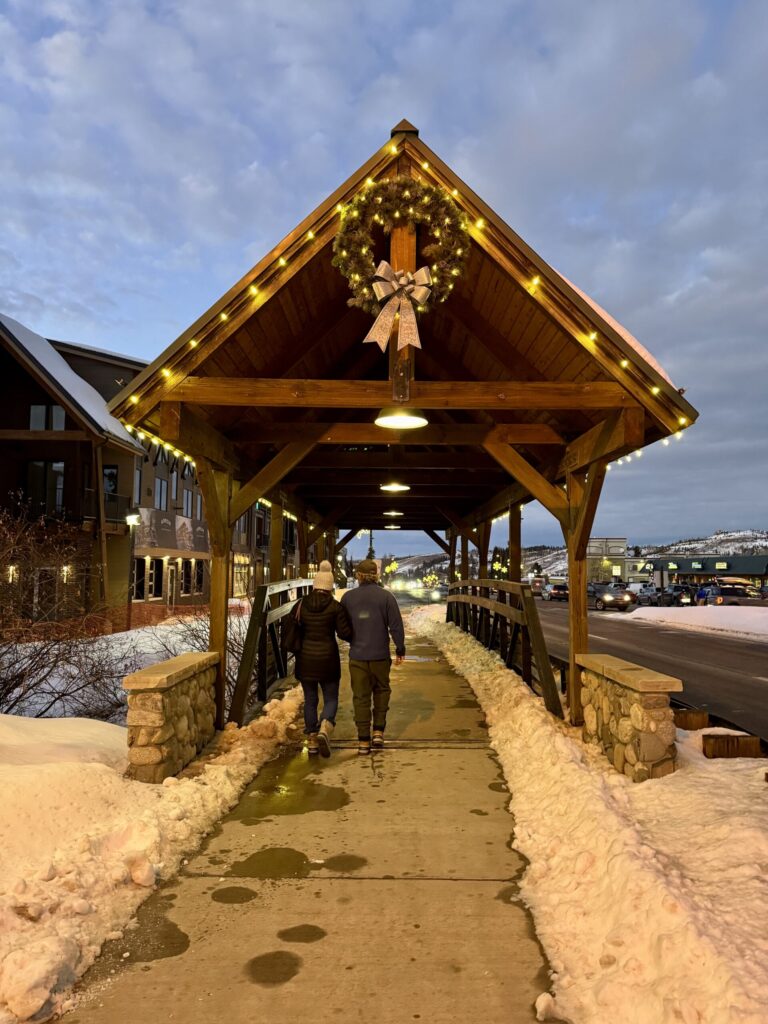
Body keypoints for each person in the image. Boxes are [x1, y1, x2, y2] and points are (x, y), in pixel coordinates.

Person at [340, 558, 405, 754]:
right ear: (376, 576)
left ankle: (363, 740)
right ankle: (378, 731)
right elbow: (396, 625)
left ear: (358, 576)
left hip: (358, 655)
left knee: (360, 697)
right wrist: (400, 648)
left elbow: (341, 628)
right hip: (380, 655)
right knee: (381, 691)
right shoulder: (386, 597)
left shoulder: (348, 598)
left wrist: (353, 637)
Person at [294, 560, 352, 757]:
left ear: (315, 585)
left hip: (306, 659)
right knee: (331, 697)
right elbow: (345, 633)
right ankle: (326, 725)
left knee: (310, 699)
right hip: (328, 659)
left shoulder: (301, 604)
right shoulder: (335, 607)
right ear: (330, 587)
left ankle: (311, 738)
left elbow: (292, 628)